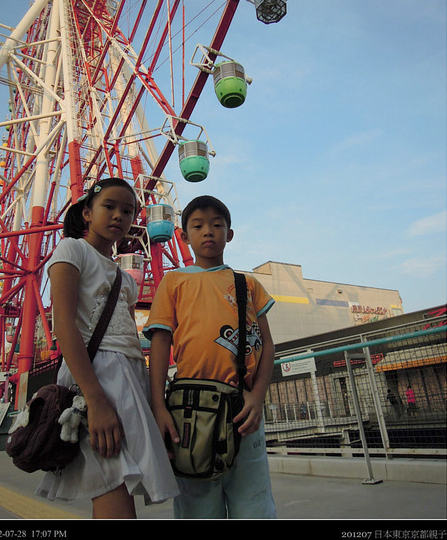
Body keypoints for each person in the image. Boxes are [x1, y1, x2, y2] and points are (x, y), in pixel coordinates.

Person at [35, 178, 179, 519]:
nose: (119, 216)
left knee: (119, 486)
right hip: (95, 380)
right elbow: (65, 327)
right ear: (87, 212)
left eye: (127, 211)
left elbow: (128, 339)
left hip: (130, 379)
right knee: (111, 483)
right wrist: (96, 400)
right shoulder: (71, 250)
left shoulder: (125, 278)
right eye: (109, 207)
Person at [144, 195, 277, 519]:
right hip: (190, 408)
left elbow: (268, 346)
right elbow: (160, 343)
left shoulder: (248, 285)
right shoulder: (173, 281)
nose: (208, 232)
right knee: (198, 506)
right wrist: (158, 406)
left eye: (217, 225)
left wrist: (257, 396)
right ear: (184, 236)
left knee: (254, 505)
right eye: (198, 226)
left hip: (243, 407)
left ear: (229, 234)